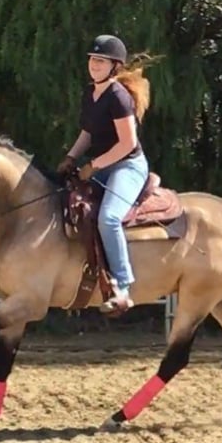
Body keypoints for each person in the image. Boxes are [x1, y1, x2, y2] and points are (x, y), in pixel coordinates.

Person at [57, 34, 153, 314]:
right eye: (92, 60)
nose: (94, 65)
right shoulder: (91, 93)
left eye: (100, 61)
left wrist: (93, 166)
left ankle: (123, 286)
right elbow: (87, 132)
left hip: (128, 166)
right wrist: (71, 157)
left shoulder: (119, 98)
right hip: (102, 163)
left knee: (108, 218)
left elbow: (127, 144)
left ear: (115, 66)